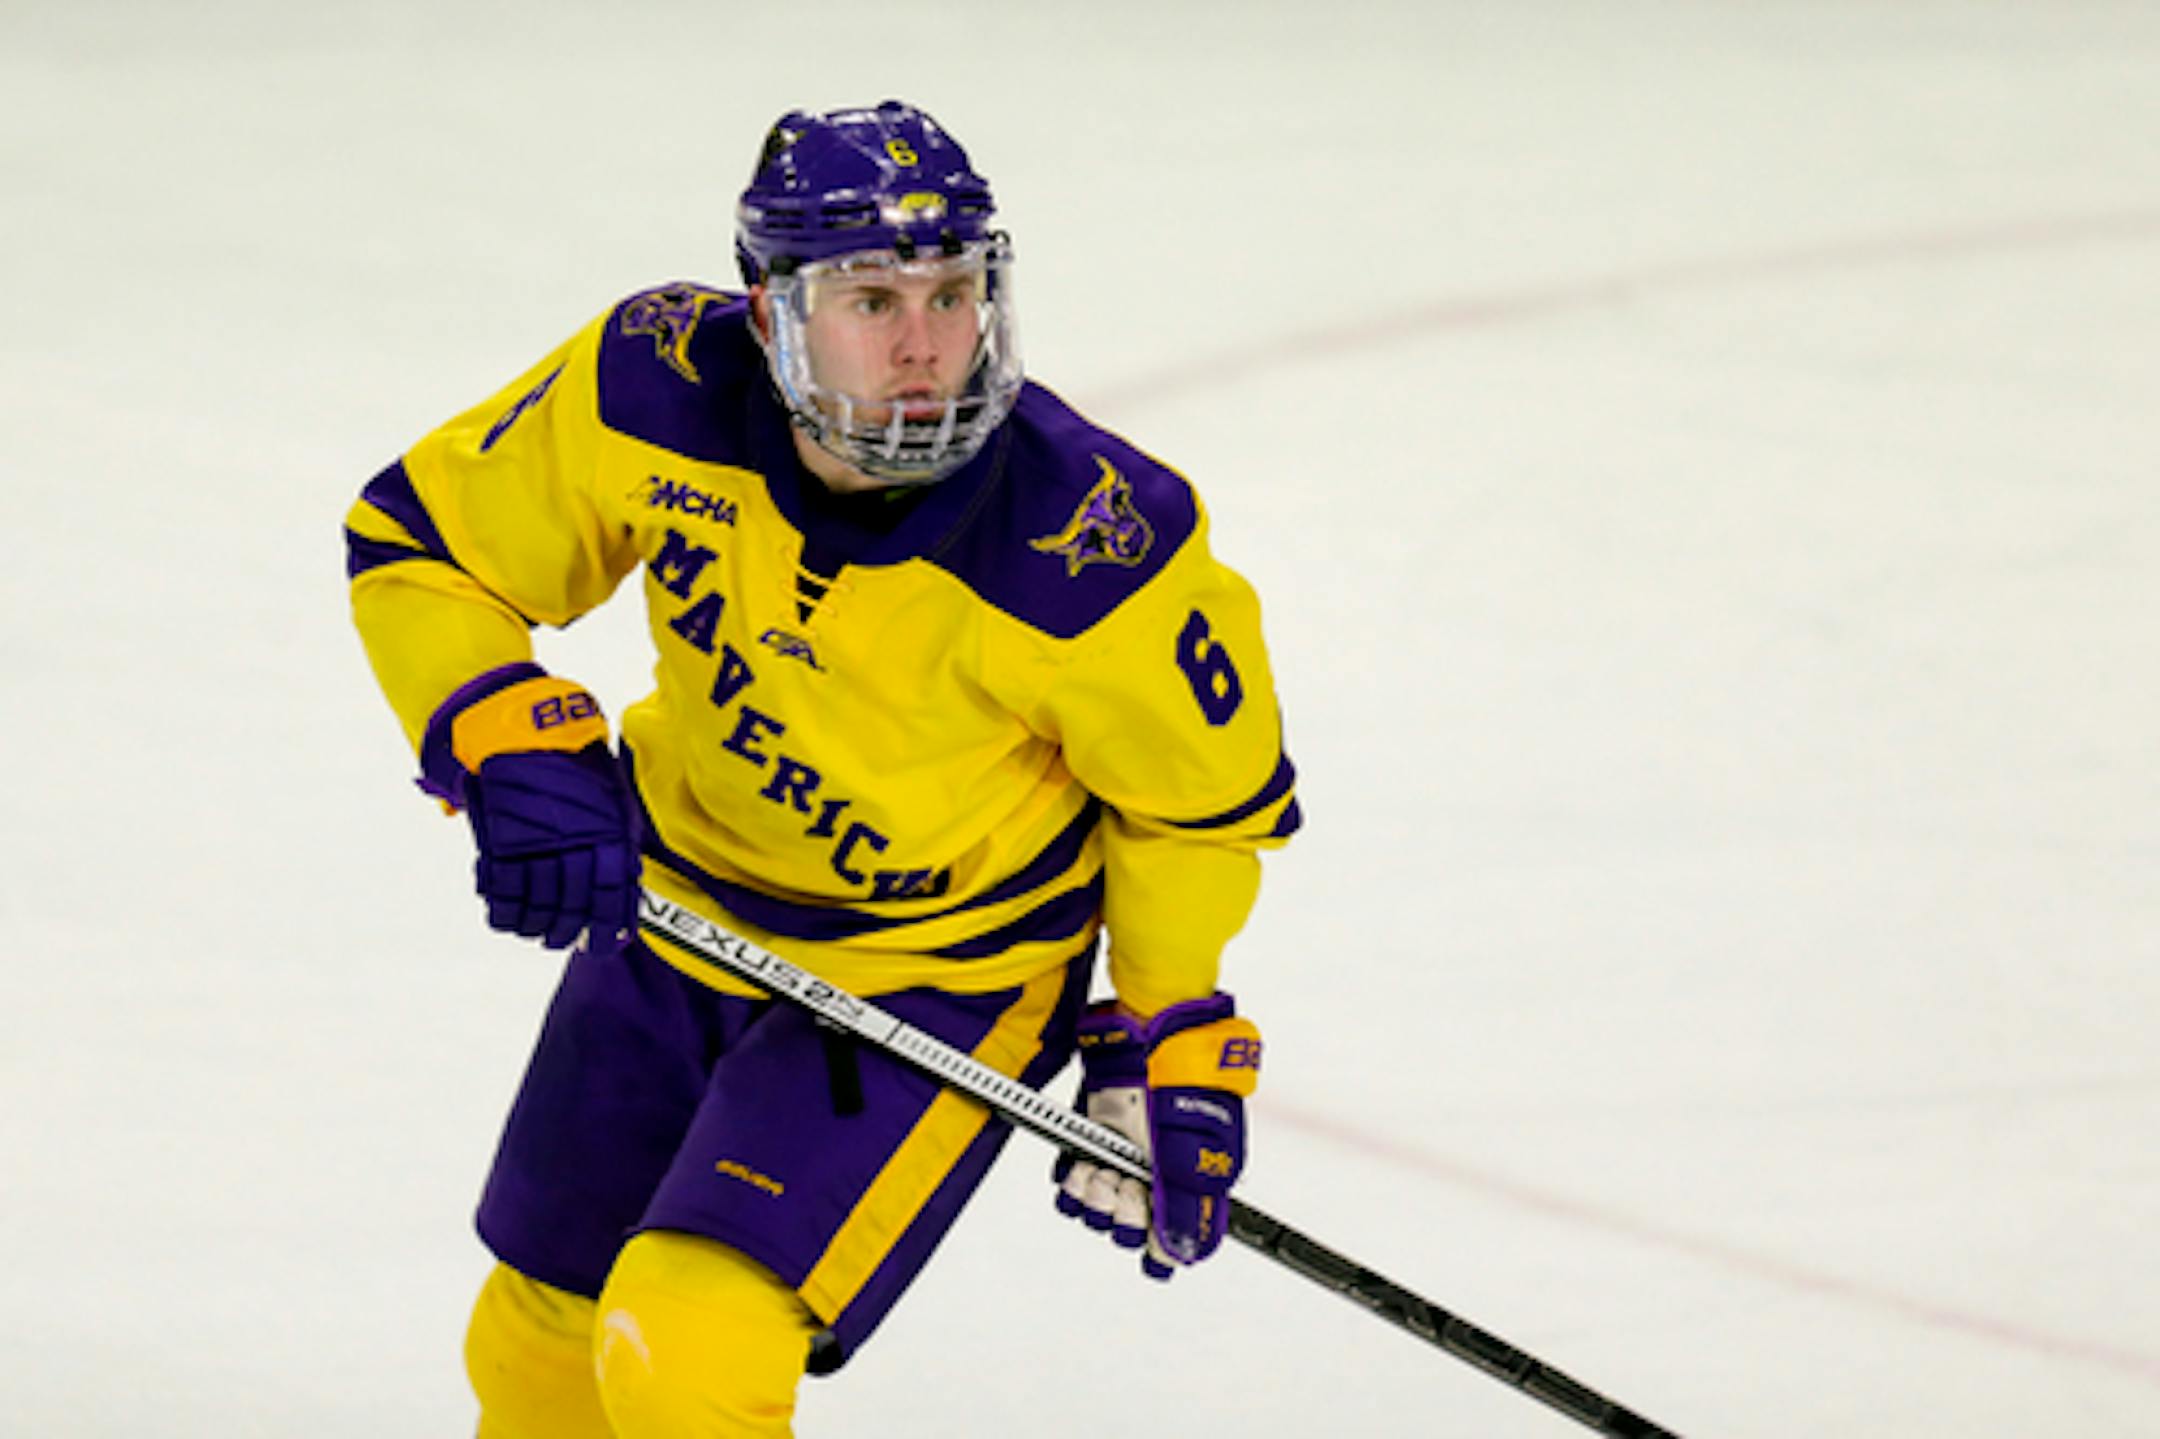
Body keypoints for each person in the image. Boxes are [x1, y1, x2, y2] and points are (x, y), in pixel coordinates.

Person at [344, 100, 1299, 1438]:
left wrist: (1166, 1035)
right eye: (868, 297)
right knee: (540, 1340)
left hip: (932, 976)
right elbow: (427, 542)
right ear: (770, 306)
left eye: (952, 291)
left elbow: (1194, 810)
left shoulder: (1095, 544)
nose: (922, 344)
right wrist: (496, 722)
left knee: (683, 1348)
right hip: (673, 912)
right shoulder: (651, 383)